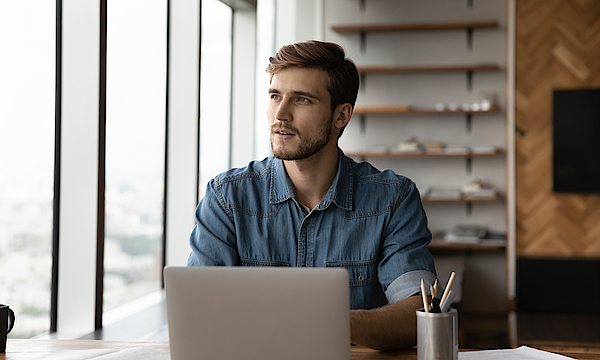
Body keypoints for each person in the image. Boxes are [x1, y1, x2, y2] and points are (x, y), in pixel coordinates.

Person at [187, 40, 437, 350]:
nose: (280, 114)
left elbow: (420, 313)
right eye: (275, 96)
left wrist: (327, 322)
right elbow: (198, 314)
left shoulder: (393, 199)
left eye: (302, 100)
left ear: (341, 116)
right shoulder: (226, 198)